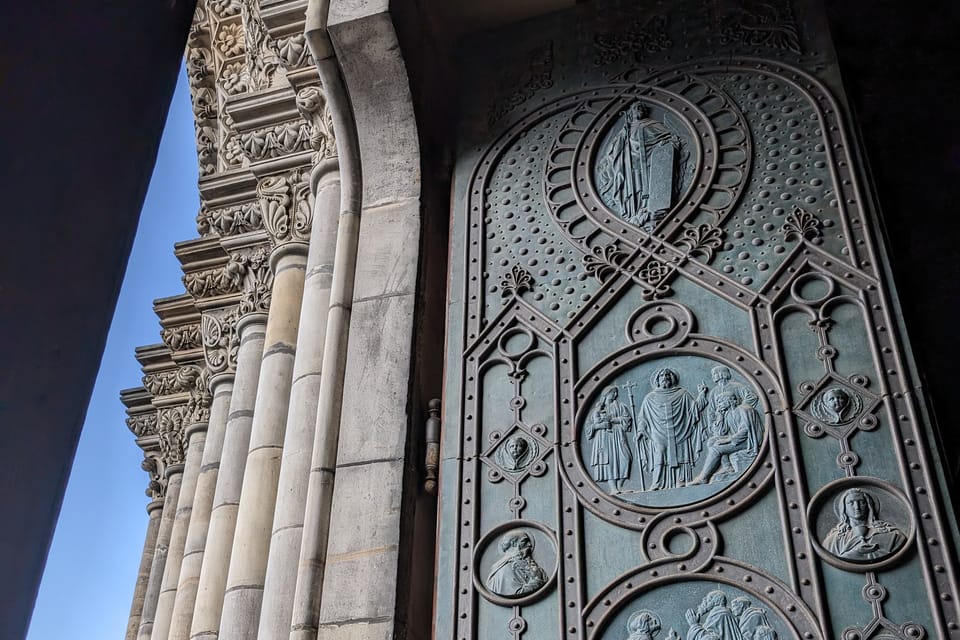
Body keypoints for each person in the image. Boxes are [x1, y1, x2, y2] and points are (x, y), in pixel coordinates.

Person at [596, 102, 682, 230]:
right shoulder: (626, 129)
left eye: (641, 108)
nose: (639, 110)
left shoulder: (652, 125)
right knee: (633, 188)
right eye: (636, 108)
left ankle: (649, 209)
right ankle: (634, 213)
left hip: (648, 162)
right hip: (630, 165)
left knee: (647, 185)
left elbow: (668, 138)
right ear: (631, 112)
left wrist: (665, 145)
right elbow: (614, 149)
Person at [637, 368, 708, 490]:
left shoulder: (682, 394)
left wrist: (701, 394)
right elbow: (643, 417)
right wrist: (640, 430)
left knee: (681, 453)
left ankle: (681, 480)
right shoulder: (650, 398)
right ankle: (657, 483)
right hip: (658, 432)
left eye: (667, 375)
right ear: (657, 380)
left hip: (679, 430)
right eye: (662, 375)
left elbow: (694, 410)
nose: (665, 377)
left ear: (672, 378)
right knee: (659, 453)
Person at [690, 392, 763, 485]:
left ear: (730, 400)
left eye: (721, 402)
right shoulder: (728, 413)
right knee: (711, 441)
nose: (719, 404)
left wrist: (728, 440)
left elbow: (745, 430)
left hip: (748, 441)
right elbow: (721, 432)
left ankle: (703, 478)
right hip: (737, 440)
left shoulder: (744, 410)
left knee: (716, 449)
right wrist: (720, 416)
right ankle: (727, 466)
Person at [823, 488, 906, 561]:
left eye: (861, 502)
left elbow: (900, 542)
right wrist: (856, 553)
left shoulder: (889, 532)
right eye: (851, 503)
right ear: (844, 509)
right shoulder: (834, 540)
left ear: (869, 506)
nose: (857, 507)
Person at [586, 386, 633, 493]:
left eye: (616, 393)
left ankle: (620, 486)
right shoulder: (597, 409)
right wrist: (600, 426)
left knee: (625, 458)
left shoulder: (620, 406)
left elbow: (627, 419)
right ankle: (613, 488)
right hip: (603, 437)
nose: (615, 395)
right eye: (613, 393)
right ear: (606, 394)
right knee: (608, 461)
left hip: (618, 435)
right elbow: (588, 426)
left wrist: (614, 419)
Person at [485, 531, 548, 597]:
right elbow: (518, 592)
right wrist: (537, 580)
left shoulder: (528, 564)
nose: (530, 545)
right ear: (514, 543)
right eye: (525, 541)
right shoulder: (504, 570)